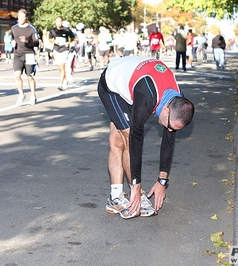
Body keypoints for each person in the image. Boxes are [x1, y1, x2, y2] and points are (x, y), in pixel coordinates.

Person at [98, 56, 195, 219]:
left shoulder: (178, 103)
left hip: (133, 82)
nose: (170, 130)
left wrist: (162, 181)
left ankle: (115, 196)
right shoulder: (146, 97)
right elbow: (136, 139)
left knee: (117, 139)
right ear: (166, 111)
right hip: (112, 86)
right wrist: (136, 186)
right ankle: (130, 194)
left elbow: (168, 140)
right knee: (127, 137)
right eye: (170, 126)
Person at [11, 9, 40, 106]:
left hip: (29, 54)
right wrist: (12, 42)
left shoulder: (31, 29)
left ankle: (33, 95)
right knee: (17, 75)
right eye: (20, 16)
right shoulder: (14, 28)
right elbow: (12, 38)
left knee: (30, 77)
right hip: (18, 54)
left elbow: (36, 42)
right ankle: (21, 94)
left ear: (26, 17)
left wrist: (27, 41)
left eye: (23, 17)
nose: (21, 18)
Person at [49, 16, 74, 91]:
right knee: (59, 67)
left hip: (64, 49)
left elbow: (72, 37)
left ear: (62, 22)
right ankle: (65, 79)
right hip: (56, 49)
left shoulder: (66, 30)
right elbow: (50, 39)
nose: (58, 23)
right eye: (57, 21)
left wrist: (68, 42)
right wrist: (54, 41)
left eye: (60, 21)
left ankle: (61, 83)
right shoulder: (53, 31)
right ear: (55, 22)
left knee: (63, 66)